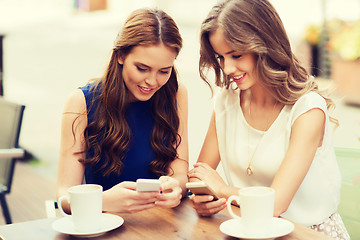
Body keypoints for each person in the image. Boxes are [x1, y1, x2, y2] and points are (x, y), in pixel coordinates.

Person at [187, 0, 350, 238]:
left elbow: (275, 205)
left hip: (306, 234)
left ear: (265, 45)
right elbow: (201, 178)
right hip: (250, 228)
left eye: (236, 55)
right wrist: (203, 199)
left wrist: (221, 190)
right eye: (221, 57)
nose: (228, 68)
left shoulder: (308, 109)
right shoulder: (226, 102)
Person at [57, 8, 189, 214]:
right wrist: (101, 201)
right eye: (142, 68)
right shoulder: (81, 102)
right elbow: (64, 195)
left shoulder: (175, 92)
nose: (152, 82)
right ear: (120, 55)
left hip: (161, 222)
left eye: (164, 71)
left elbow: (180, 172)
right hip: (104, 225)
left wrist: (176, 188)